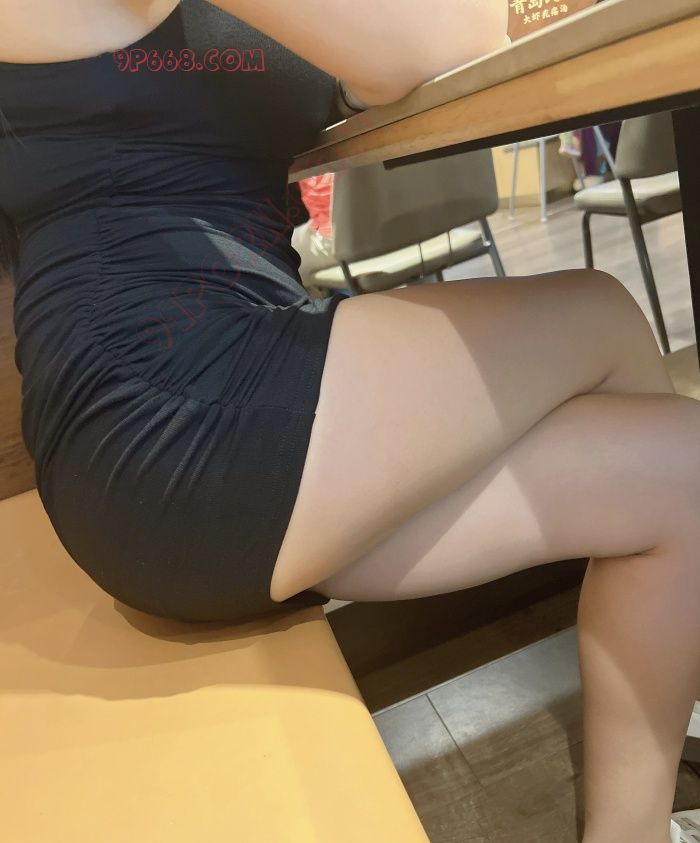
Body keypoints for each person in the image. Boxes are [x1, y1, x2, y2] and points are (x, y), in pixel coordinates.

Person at [0, 3, 697, 842]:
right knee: (598, 314)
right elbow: (442, 41)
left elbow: (364, 72)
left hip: (160, 448)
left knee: (680, 477)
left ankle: (644, 790)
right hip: (171, 409)